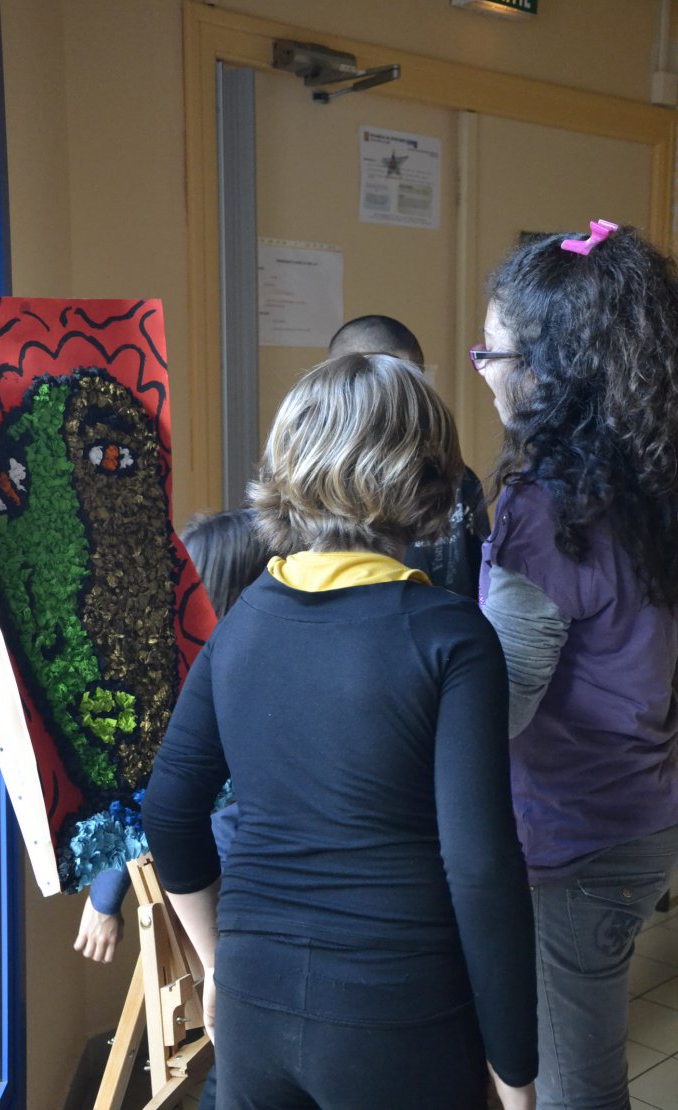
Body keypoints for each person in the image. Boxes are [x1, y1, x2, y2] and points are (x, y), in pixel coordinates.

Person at [142, 353, 537, 1110]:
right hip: (400, 1015)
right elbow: (482, 869)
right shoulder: (450, 638)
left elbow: (168, 808)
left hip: (255, 1005)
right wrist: (516, 1075)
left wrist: (218, 963)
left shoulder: (245, 619)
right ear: (427, 471)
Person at [475, 220, 678, 1108]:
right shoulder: (654, 466)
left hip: (574, 836)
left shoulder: (546, 504)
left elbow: (506, 701)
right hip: (644, 806)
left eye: (493, 351)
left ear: (551, 367)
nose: (481, 371)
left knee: (573, 1085)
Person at [72, 507, 267, 963]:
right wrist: (104, 897)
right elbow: (146, 794)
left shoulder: (210, 675)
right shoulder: (208, 691)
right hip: (235, 906)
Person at [328, 314, 490, 599]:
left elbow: (479, 588)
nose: (399, 401)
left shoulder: (455, 479)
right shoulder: (310, 481)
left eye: (410, 384)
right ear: (334, 383)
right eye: (376, 383)